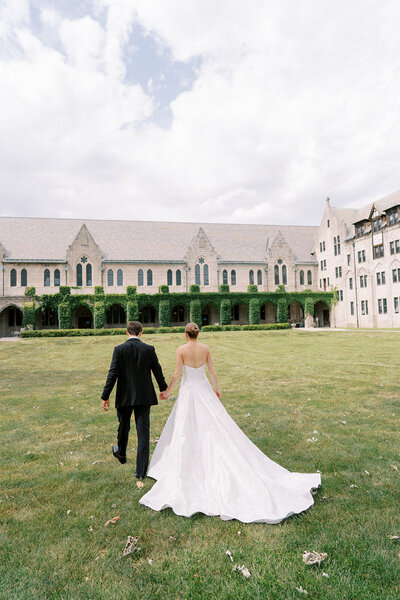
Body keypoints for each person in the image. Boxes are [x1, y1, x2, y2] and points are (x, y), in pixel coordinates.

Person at [139, 322, 321, 523]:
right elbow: (212, 372)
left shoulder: (181, 350)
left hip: (189, 391)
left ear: (185, 334)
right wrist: (216, 389)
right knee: (212, 425)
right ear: (198, 334)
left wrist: (167, 391)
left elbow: (177, 374)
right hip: (203, 389)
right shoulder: (205, 349)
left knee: (186, 428)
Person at [101, 320, 167, 479]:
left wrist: (105, 396)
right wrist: (163, 388)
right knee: (143, 432)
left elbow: (112, 374)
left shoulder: (119, 349)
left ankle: (122, 454)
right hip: (144, 396)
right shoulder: (148, 349)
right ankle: (141, 471)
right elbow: (157, 371)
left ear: (127, 332)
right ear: (141, 333)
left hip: (124, 395)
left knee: (123, 425)